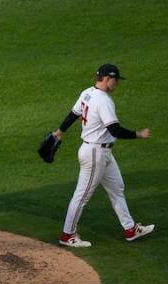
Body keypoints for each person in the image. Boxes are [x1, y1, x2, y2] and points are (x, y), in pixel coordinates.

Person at [52, 63, 155, 247]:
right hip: (95, 154)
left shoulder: (87, 92)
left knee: (117, 188)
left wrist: (60, 131)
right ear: (108, 78)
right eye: (116, 80)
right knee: (82, 196)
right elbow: (114, 129)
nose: (117, 84)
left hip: (102, 152)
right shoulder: (104, 100)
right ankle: (67, 235)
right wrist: (138, 134)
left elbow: (73, 114)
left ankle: (130, 229)